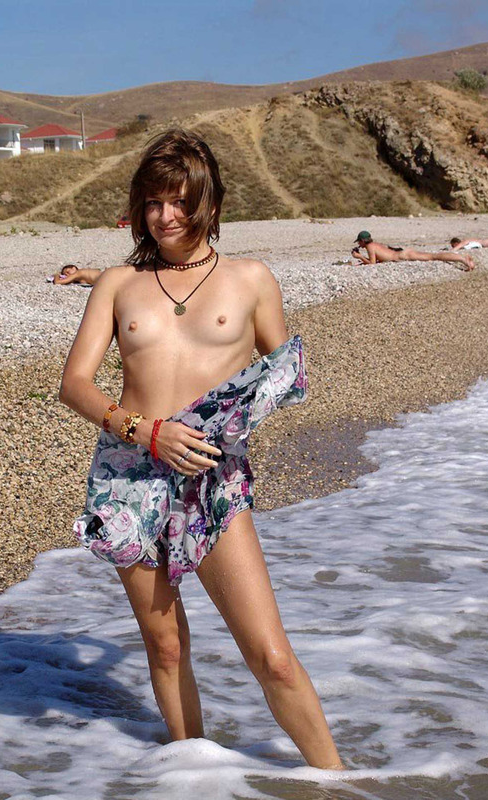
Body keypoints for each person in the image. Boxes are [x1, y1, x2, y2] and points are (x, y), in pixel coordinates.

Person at [59, 129, 343, 770]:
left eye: (180, 202)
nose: (166, 216)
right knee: (165, 647)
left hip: (210, 478)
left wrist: (228, 426)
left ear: (209, 202)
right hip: (128, 477)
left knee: (271, 655)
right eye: (153, 202)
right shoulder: (118, 284)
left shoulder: (251, 279)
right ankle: (193, 777)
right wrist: (146, 431)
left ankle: (339, 783)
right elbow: (74, 384)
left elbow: (285, 373)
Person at [352, 231, 475, 271]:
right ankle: (463, 258)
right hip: (403, 253)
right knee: (433, 255)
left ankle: (463, 260)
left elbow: (372, 264)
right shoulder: (374, 244)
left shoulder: (370, 247)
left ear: (363, 241)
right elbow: (379, 259)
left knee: (434, 256)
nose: (358, 244)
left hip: (403, 255)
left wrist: (359, 257)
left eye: (359, 242)